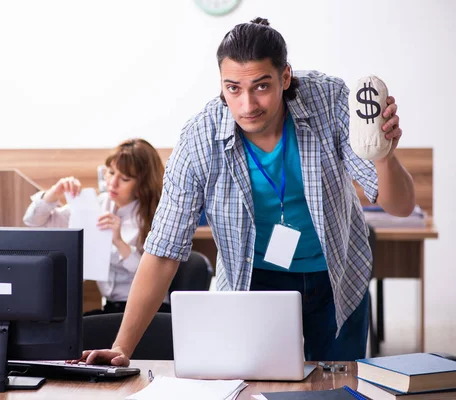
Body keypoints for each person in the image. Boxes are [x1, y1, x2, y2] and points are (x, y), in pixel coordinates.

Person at [78, 17, 415, 365]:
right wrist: (122, 347)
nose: (247, 105)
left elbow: (401, 206)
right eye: (233, 88)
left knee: (338, 387)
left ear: (285, 76)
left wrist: (384, 157)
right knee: (256, 385)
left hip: (337, 277)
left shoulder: (329, 101)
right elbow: (163, 250)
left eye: (261, 86)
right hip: (254, 281)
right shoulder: (200, 139)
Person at [23, 138, 169, 315]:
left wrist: (119, 242)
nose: (112, 183)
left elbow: (153, 277)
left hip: (149, 310)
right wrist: (55, 192)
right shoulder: (96, 205)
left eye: (124, 178)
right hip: (112, 307)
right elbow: (33, 221)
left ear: (141, 183)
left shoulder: (156, 216)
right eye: (110, 172)